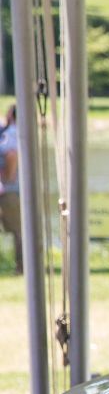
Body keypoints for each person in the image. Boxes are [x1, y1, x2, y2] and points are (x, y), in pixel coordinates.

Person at [1, 105, 20, 274]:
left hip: (9, 190)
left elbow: (11, 155)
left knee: (17, 229)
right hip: (16, 189)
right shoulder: (25, 133)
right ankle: (22, 266)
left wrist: (6, 178)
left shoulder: (11, 133)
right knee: (20, 230)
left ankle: (21, 267)